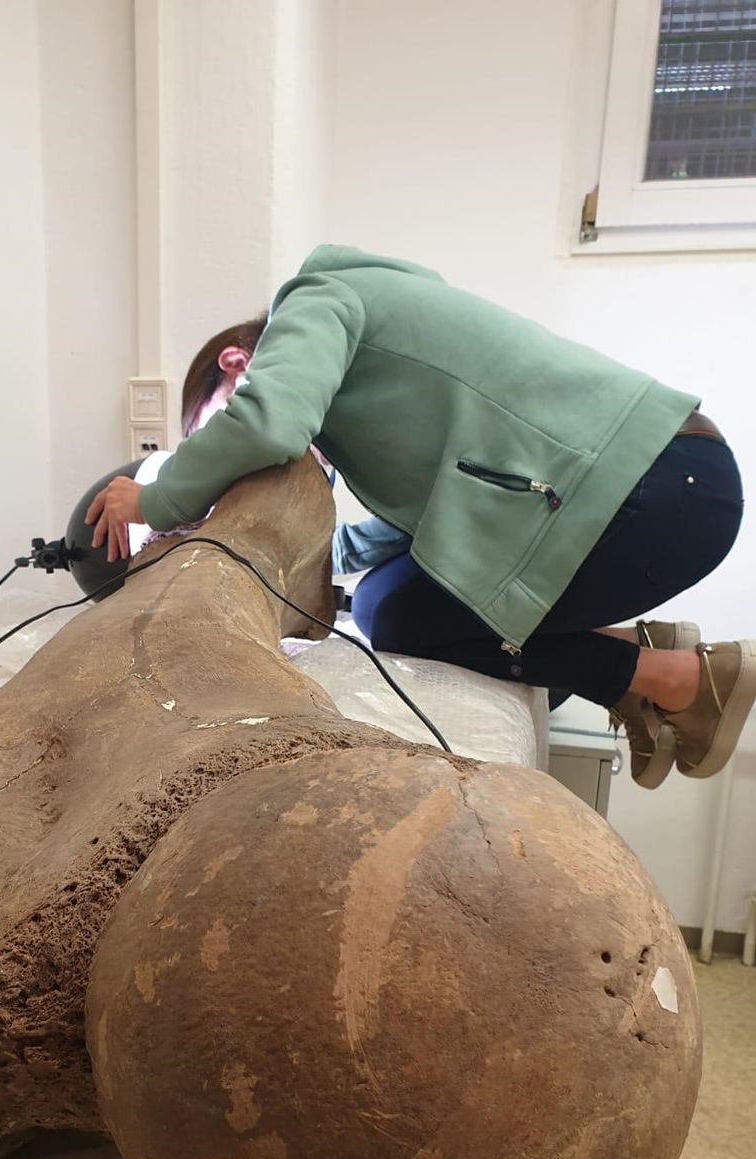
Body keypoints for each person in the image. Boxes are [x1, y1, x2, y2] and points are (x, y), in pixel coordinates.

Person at [86, 244, 750, 787]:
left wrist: (155, 496)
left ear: (238, 362)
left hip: (655, 496)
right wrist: (324, 556)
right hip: (668, 485)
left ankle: (675, 679)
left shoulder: (315, 297)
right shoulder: (375, 327)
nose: (224, 467)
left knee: (397, 612)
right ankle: (643, 657)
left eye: (217, 425)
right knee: (387, 591)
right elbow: (433, 520)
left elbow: (266, 425)